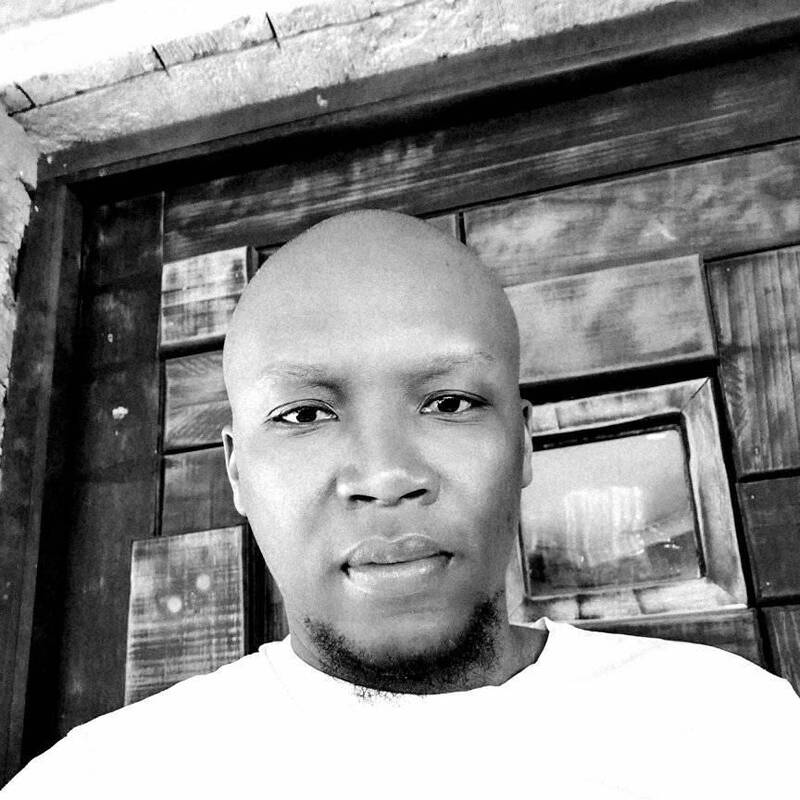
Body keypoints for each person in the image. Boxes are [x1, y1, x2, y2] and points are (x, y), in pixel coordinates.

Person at [3, 210, 798, 799]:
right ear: (237, 472)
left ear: (523, 445)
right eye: (304, 415)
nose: (386, 476)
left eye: (450, 403)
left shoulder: (733, 731)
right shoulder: (95, 784)